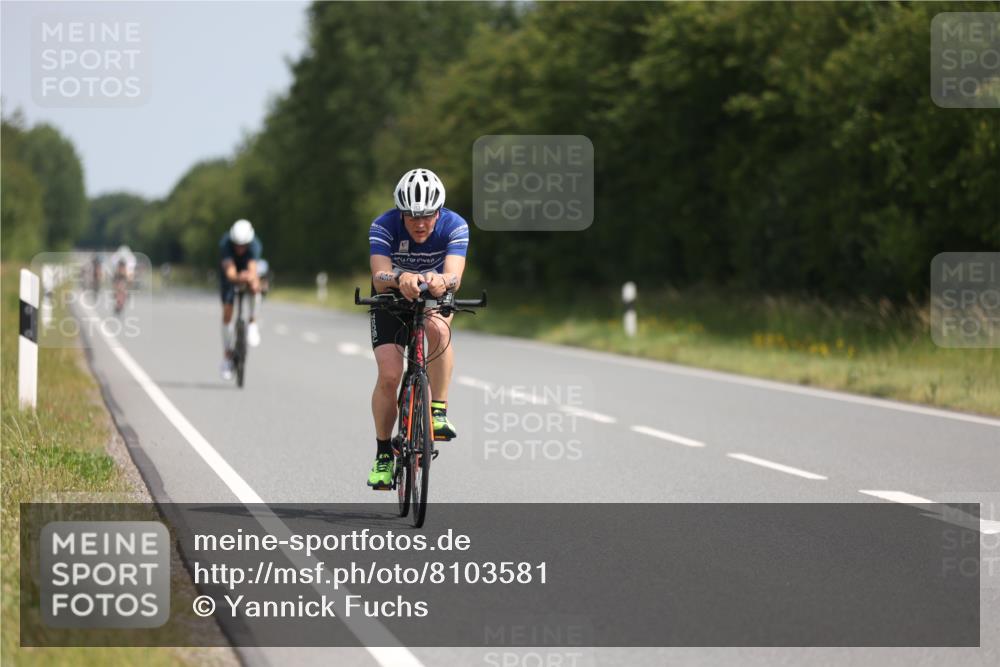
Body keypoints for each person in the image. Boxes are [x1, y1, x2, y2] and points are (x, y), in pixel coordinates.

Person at [366, 168, 469, 489]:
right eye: (412, 217)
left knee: (438, 329)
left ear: (439, 212)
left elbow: (455, 276)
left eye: (427, 216)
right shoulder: (383, 225)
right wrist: (399, 278)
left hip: (434, 297)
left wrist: (442, 280)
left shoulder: (456, 225)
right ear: (401, 213)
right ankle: (384, 453)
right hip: (392, 301)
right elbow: (379, 275)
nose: (420, 223)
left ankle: (437, 411)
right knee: (390, 375)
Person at [219, 219, 262, 380]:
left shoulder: (255, 245)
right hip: (230, 273)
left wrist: (250, 278)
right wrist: (237, 277)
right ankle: (227, 355)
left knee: (255, 287)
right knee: (228, 312)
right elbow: (230, 272)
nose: (240, 248)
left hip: (245, 269)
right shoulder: (225, 244)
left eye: (243, 245)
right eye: (237, 244)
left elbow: (252, 268)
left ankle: (252, 322)